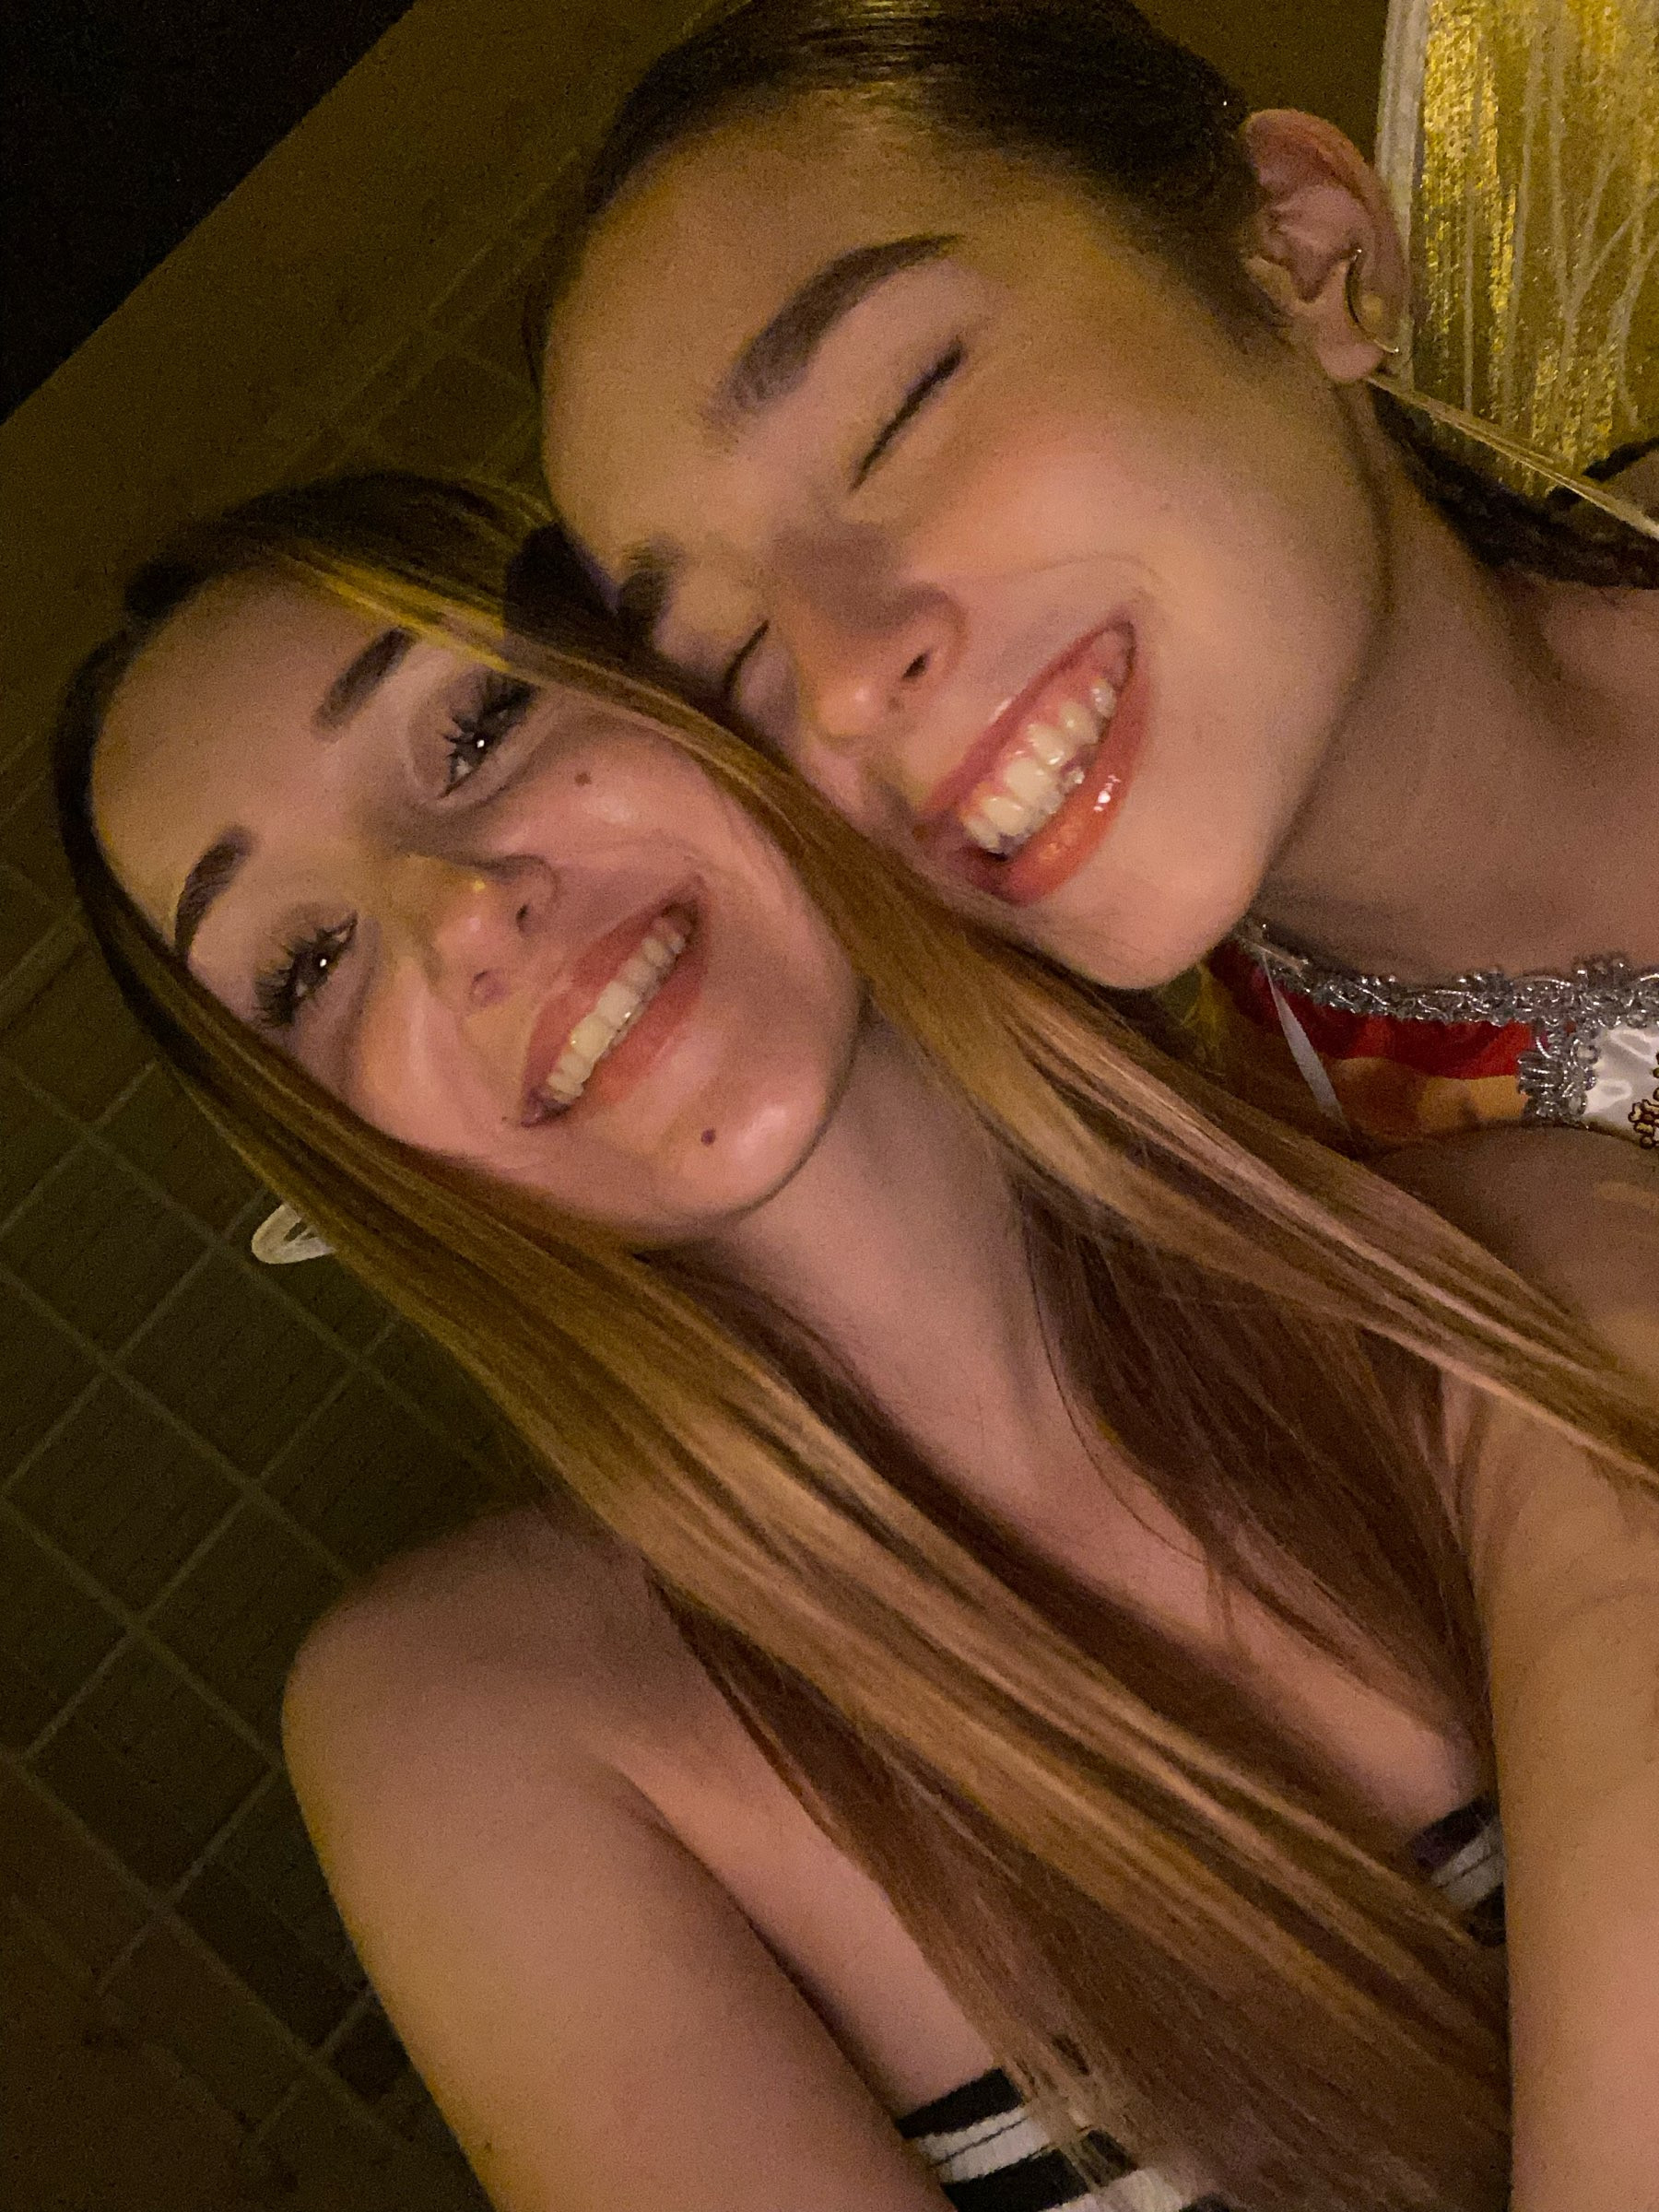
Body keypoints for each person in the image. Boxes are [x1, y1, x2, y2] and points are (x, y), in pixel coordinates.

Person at [53, 470, 1659, 2212]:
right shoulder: (470, 1720)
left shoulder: (1517, 1261)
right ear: (339, 1159)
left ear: (704, 689)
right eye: (304, 967)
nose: (456, 914)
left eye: (480, 729)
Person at [536, 0, 1659, 1155]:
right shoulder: (1359, 1226)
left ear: (1296, 252)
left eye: (897, 412)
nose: (845, 681)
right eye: (731, 657)